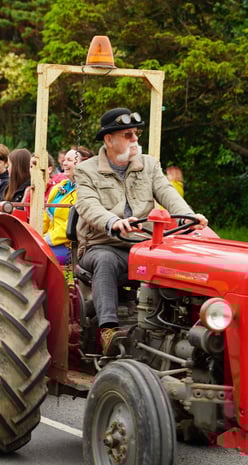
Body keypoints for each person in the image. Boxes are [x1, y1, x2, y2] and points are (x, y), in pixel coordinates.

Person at [74, 107, 208, 355]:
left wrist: (190, 217)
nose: (135, 140)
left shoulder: (149, 165)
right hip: (103, 245)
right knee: (105, 260)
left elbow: (167, 193)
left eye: (136, 134)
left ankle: (184, 330)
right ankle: (108, 331)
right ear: (109, 139)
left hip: (143, 245)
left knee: (182, 262)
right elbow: (87, 204)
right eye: (128, 135)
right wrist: (112, 221)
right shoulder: (86, 170)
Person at [43, 148, 80, 264]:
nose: (64, 163)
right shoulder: (58, 188)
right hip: (50, 242)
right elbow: (46, 218)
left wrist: (47, 240)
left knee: (37, 258)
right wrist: (38, 238)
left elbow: (73, 225)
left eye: (69, 160)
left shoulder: (85, 191)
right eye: (64, 160)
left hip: (69, 245)